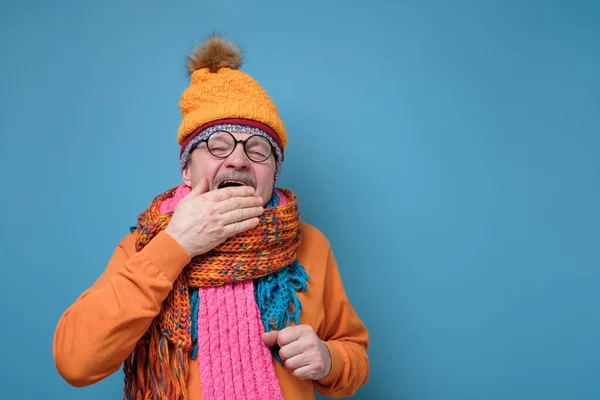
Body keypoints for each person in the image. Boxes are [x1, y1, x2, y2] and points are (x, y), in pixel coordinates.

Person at [53, 34, 370, 400]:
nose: (238, 159)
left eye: (258, 149)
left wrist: (329, 360)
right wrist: (176, 245)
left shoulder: (310, 244)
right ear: (187, 169)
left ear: (273, 173)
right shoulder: (145, 246)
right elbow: (75, 363)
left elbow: (355, 356)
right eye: (218, 145)